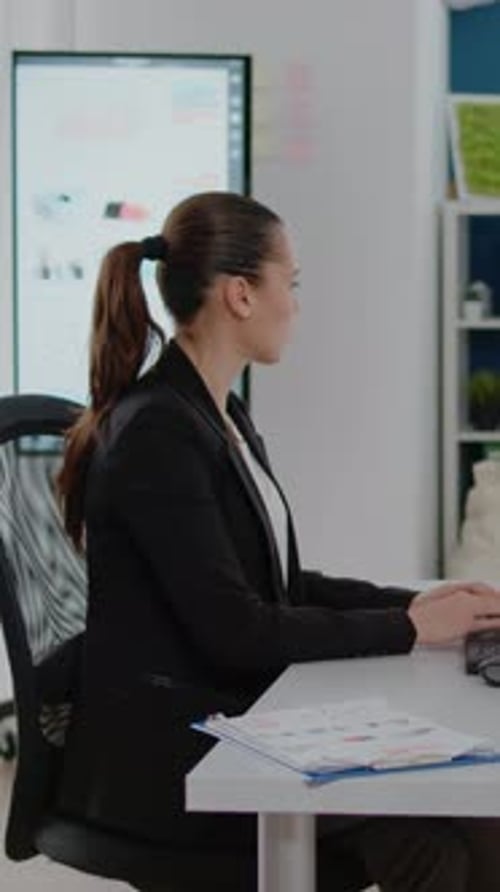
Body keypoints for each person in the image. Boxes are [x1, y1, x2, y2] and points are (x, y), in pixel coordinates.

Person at [57, 191, 500, 892]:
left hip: (228, 715)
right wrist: (409, 627)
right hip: (177, 756)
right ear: (240, 293)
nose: (294, 304)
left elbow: (280, 586)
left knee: (477, 817)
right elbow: (238, 631)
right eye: (288, 284)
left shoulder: (215, 412)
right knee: (435, 836)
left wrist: (425, 604)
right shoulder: (159, 433)